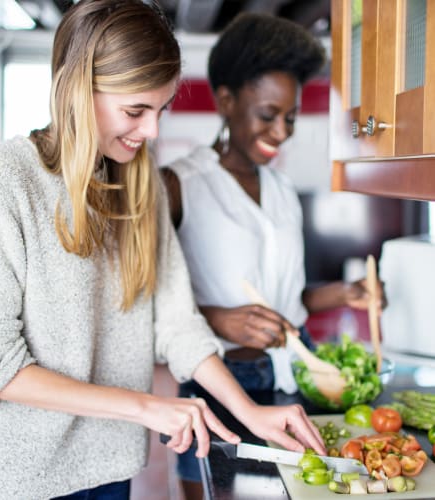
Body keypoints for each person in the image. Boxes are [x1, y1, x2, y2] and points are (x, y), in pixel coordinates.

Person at [0, 2, 326, 500]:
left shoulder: (141, 187)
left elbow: (176, 321)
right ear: (78, 89)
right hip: (26, 476)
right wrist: (144, 407)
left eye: (160, 110)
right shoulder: (4, 181)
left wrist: (249, 411)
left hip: (112, 464)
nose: (152, 132)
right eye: (135, 111)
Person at [161, 12, 386, 499]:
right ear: (225, 100)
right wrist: (218, 318)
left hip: (289, 375)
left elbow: (288, 297)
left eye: (290, 117)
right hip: (219, 386)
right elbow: (146, 307)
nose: (282, 132)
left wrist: (348, 293)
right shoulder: (179, 185)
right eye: (268, 114)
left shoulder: (282, 190)